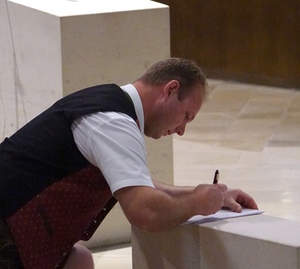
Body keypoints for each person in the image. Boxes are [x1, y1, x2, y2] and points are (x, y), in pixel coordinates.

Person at [0, 58, 258, 269]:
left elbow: (133, 180)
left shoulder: (110, 104)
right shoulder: (114, 122)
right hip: (7, 229)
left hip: (18, 230)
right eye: (186, 116)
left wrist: (210, 194)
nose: (181, 130)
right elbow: (145, 212)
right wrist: (198, 203)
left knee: (80, 260)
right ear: (170, 90)